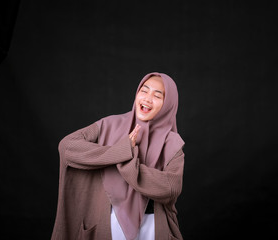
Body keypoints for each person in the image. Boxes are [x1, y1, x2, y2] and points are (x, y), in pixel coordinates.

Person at [51, 72, 185, 240]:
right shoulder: (110, 124)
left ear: (168, 104)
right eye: (144, 91)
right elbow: (67, 147)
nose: (148, 98)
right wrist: (120, 151)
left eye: (157, 96)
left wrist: (128, 164)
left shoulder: (172, 142)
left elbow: (170, 187)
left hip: (153, 227)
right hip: (108, 222)